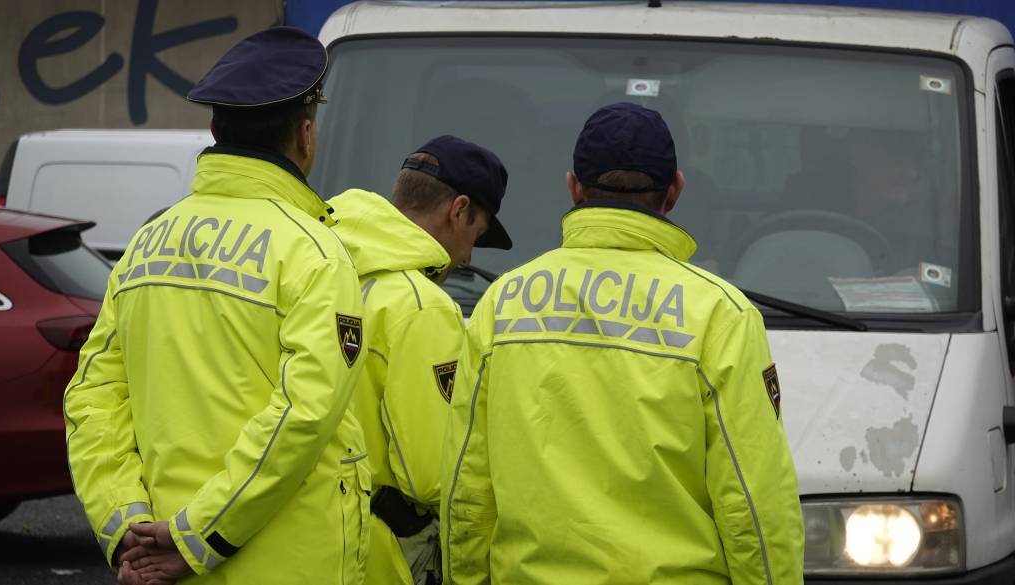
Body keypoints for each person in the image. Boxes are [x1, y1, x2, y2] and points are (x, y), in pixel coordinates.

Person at [440, 102, 804, 585]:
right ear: (675, 191)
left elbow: (467, 484)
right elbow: (753, 500)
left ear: (574, 188)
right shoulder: (720, 314)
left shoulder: (501, 304)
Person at [63, 27, 370, 585]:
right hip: (283, 564)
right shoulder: (315, 252)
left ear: (213, 130)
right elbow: (304, 414)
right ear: (305, 135)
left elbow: (93, 399)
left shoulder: (146, 244)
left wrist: (127, 526)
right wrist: (197, 536)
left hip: (159, 560)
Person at [327, 135, 511, 585]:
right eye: (476, 236)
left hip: (304, 533)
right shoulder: (421, 306)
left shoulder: (321, 264)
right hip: (378, 555)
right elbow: (432, 475)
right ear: (458, 210)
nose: (467, 257)